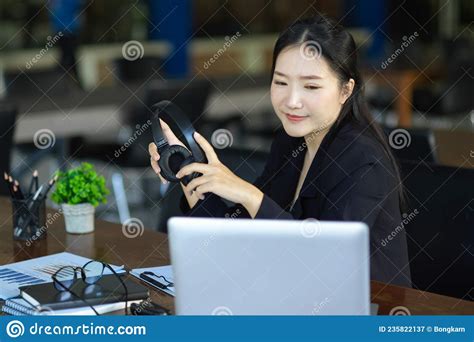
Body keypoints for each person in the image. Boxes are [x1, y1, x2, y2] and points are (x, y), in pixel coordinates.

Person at [148, 15, 411, 288]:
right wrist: (194, 176)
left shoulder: (364, 161)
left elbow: (325, 264)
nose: (292, 101)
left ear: (346, 90)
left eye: (310, 86)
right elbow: (242, 242)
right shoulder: (292, 142)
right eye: (281, 82)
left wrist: (251, 196)